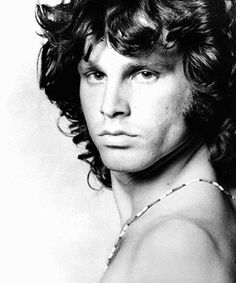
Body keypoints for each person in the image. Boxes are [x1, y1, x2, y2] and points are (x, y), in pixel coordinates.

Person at [36, 0, 236, 282]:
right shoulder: (176, 219)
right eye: (96, 75)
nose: (110, 106)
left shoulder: (175, 244)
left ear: (204, 78)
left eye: (145, 73)